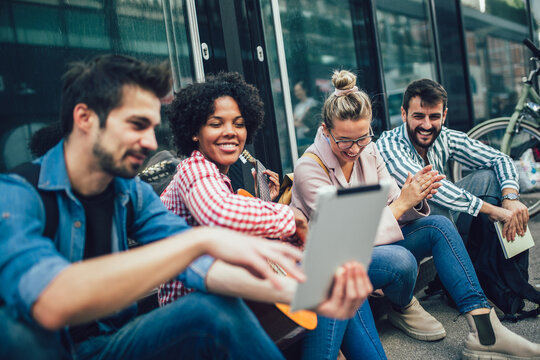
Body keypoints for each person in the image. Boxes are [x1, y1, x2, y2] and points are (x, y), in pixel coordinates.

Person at [0, 55, 367, 360]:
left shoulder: (129, 192)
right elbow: (49, 301)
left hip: (114, 344)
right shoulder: (17, 194)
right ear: (84, 119)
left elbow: (201, 268)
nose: (148, 143)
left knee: (214, 308)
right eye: (136, 125)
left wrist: (301, 293)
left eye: (153, 128)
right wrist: (199, 241)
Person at [292, 70, 540, 360]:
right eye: (344, 141)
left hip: (376, 245)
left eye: (363, 137)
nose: (355, 149)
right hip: (338, 260)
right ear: (326, 130)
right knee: (401, 260)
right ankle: (403, 305)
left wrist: (413, 197)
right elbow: (344, 238)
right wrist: (399, 205)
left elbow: (392, 202)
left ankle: (485, 332)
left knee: (438, 225)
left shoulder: (369, 150)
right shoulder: (309, 168)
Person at [158, 71, 310, 304]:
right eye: (216, 124)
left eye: (239, 124)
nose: (230, 131)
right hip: (198, 312)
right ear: (194, 133)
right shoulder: (194, 167)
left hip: (220, 300)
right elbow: (219, 212)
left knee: (323, 288)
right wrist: (291, 215)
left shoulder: (217, 178)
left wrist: (265, 203)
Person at [293, 80, 319, 149]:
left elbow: (308, 119)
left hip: (310, 138)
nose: (297, 93)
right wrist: (301, 120)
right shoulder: (297, 107)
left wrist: (301, 120)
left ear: (304, 90)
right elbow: (293, 123)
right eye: (295, 91)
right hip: (300, 138)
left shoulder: (312, 102)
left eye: (298, 90)